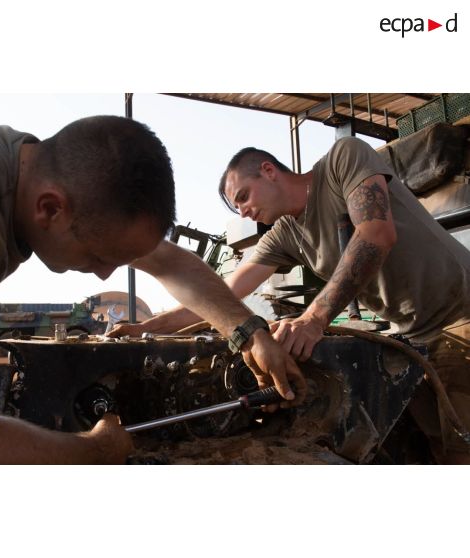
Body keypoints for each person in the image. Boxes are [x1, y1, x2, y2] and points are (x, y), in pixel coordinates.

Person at [0, 112, 306, 464]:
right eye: (100, 255)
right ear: (49, 208)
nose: (104, 276)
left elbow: (169, 262)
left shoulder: (41, 174)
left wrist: (251, 334)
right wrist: (96, 450)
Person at [110, 138, 470, 463]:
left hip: (459, 317)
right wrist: (144, 328)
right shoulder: (285, 235)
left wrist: (313, 319)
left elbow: (375, 233)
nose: (243, 213)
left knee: (460, 448)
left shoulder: (343, 159)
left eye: (243, 197)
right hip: (413, 337)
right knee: (432, 445)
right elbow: (219, 296)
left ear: (268, 171)